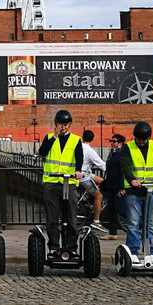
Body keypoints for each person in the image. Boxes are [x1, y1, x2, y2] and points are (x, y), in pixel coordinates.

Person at [38, 109, 84, 259]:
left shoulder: (76, 140)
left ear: (69, 125)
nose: (62, 127)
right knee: (52, 217)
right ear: (55, 124)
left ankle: (72, 248)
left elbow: (79, 159)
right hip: (51, 182)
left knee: (71, 216)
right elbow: (42, 152)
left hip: (69, 182)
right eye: (60, 124)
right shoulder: (49, 137)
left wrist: (78, 171)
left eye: (65, 124)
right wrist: (54, 137)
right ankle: (53, 248)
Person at [121, 121, 153, 256]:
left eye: (144, 139)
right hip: (134, 191)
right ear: (135, 137)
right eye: (139, 139)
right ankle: (132, 250)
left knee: (149, 223)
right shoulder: (128, 148)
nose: (142, 142)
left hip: (152, 189)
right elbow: (125, 166)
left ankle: (149, 249)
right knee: (133, 222)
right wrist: (132, 179)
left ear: (149, 137)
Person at [101, 134, 128, 239]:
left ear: (120, 143)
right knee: (111, 210)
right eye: (111, 141)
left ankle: (141, 226)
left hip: (118, 186)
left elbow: (122, 171)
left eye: (114, 141)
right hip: (111, 185)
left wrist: (122, 188)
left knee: (121, 209)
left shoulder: (121, 154)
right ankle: (112, 233)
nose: (111, 143)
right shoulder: (112, 153)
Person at [79, 129, 106, 225]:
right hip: (85, 177)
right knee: (99, 196)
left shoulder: (78, 147)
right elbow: (101, 164)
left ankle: (85, 198)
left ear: (82, 137)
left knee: (103, 182)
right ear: (92, 139)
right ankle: (96, 221)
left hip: (84, 174)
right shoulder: (90, 151)